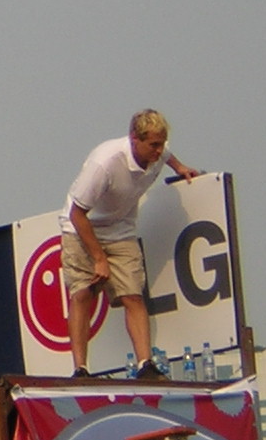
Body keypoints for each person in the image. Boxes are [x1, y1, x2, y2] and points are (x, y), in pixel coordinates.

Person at [60, 109, 200, 379]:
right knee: (82, 293)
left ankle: (145, 363)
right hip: (81, 227)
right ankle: (80, 368)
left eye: (161, 144)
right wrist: (99, 258)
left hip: (120, 229)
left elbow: (168, 155)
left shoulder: (159, 154)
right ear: (135, 139)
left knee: (132, 294)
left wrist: (180, 168)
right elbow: (77, 214)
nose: (158, 151)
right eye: (153, 145)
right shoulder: (105, 163)